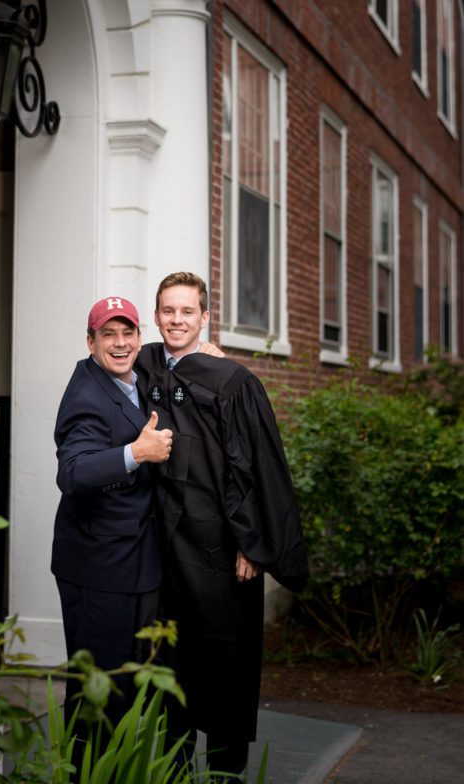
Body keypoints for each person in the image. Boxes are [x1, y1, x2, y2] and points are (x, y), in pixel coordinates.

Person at [135, 272, 308, 781]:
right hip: (169, 548)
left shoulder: (232, 382)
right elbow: (106, 357)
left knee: (226, 663)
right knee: (174, 662)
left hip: (219, 547)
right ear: (157, 313)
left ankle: (225, 772)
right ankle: (174, 770)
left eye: (188, 312)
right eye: (168, 311)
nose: (177, 320)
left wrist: (252, 544)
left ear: (205, 317)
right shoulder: (146, 363)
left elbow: (254, 466)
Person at [51, 295, 174, 726]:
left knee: (122, 689)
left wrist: (205, 352)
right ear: (90, 342)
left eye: (128, 333)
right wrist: (135, 452)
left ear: (141, 339)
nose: (120, 343)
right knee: (96, 695)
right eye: (108, 334)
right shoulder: (87, 395)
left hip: (133, 563)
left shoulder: (134, 374)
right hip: (97, 570)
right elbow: (73, 472)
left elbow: (164, 353)